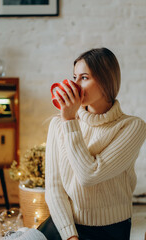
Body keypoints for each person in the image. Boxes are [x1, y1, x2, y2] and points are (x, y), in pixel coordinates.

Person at [38, 48, 146, 240]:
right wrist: (69, 235)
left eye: (84, 78)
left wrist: (70, 121)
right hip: (64, 225)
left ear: (106, 81)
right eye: (74, 77)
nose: (75, 84)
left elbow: (89, 175)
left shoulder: (132, 126)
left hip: (110, 229)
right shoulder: (58, 124)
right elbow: (54, 188)